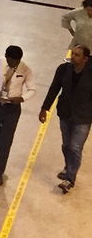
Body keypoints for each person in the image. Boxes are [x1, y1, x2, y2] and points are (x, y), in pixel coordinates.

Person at [39, 44, 92, 193]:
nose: (72, 57)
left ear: (85, 59)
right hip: (65, 113)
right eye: (72, 54)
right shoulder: (63, 69)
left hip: (83, 116)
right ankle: (69, 167)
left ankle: (69, 179)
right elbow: (54, 88)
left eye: (77, 55)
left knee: (75, 147)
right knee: (66, 145)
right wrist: (45, 108)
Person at [0, 45, 35, 186]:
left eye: (17, 61)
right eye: (12, 61)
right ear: (7, 57)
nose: (15, 64)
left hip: (12, 109)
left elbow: (32, 89)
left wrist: (22, 98)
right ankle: (1, 153)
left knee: (6, 142)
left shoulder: (25, 69)